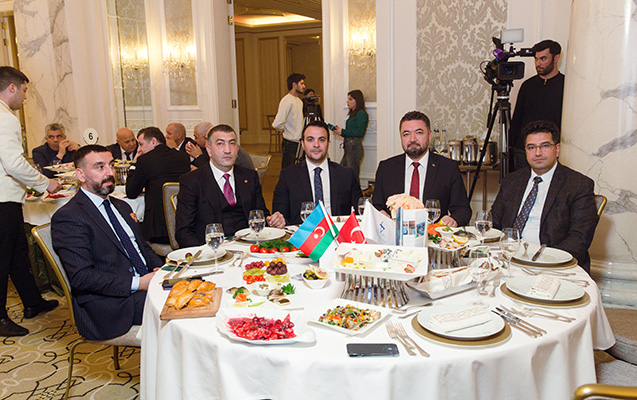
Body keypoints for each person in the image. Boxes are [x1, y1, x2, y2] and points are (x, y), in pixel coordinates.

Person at [52, 145, 162, 340]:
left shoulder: (121, 206)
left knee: (199, 289)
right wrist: (139, 283)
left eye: (111, 165)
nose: (110, 172)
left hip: (143, 285)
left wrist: (159, 270)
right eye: (100, 167)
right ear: (81, 174)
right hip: (111, 303)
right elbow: (82, 277)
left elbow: (142, 247)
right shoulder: (69, 216)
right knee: (182, 309)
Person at [491, 121, 599, 273]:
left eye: (545, 146)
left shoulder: (578, 184)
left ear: (557, 149)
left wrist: (542, 260)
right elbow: (494, 223)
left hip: (552, 264)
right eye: (531, 147)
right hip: (509, 258)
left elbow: (579, 238)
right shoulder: (512, 181)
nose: (538, 153)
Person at [0, 66, 61, 337]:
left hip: (7, 198)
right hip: (3, 200)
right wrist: (44, 183)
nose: (26, 96)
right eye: (24, 90)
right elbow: (12, 163)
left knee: (16, 254)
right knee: (4, 259)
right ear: (12, 87)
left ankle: (32, 302)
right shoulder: (6, 118)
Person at [175, 124, 285, 247]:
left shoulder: (249, 176)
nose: (227, 150)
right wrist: (206, 253)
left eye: (232, 143)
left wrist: (273, 221)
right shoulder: (192, 181)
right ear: (209, 149)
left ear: (237, 149)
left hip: (249, 247)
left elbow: (261, 214)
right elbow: (183, 232)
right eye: (220, 144)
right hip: (212, 249)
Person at [372, 111, 472, 227]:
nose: (412, 139)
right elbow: (376, 206)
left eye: (419, 133)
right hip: (394, 233)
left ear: (429, 135)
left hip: (433, 233)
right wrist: (380, 214)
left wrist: (453, 219)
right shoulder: (386, 168)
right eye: (406, 134)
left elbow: (462, 209)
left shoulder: (448, 168)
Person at [273, 120, 362, 225]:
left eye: (322, 140)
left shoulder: (346, 175)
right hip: (303, 233)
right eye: (310, 140)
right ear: (303, 144)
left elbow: (360, 214)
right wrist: (278, 220)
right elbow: (280, 215)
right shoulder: (288, 176)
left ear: (328, 144)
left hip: (338, 232)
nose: (316, 145)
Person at [126, 127, 190, 244]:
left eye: (141, 144)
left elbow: (131, 192)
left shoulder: (145, 160)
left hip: (157, 230)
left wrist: (134, 164)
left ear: (154, 141)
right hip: (184, 225)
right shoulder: (183, 157)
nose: (139, 149)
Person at [510, 39, 564, 171]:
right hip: (525, 150)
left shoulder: (565, 85)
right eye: (536, 59)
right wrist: (513, 150)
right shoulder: (527, 86)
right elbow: (517, 120)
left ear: (556, 58)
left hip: (552, 149)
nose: (538, 63)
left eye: (543, 59)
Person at [188, 121, 254, 170]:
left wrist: (198, 156)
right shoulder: (206, 148)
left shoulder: (233, 152)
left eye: (231, 143)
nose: (227, 150)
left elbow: (215, 170)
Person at [333, 89, 369, 179]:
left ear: (357, 101)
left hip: (354, 147)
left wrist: (343, 131)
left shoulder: (361, 113)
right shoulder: (353, 113)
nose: (347, 101)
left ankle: (354, 189)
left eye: (350, 99)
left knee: (352, 175)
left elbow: (360, 132)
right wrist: (340, 131)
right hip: (350, 147)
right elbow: (352, 132)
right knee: (344, 173)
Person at [273, 73, 305, 170]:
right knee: (288, 171)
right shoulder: (286, 101)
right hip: (290, 143)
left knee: (297, 171)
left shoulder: (299, 101)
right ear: (294, 85)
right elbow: (277, 123)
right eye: (301, 83)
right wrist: (285, 129)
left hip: (298, 143)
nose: (304, 86)